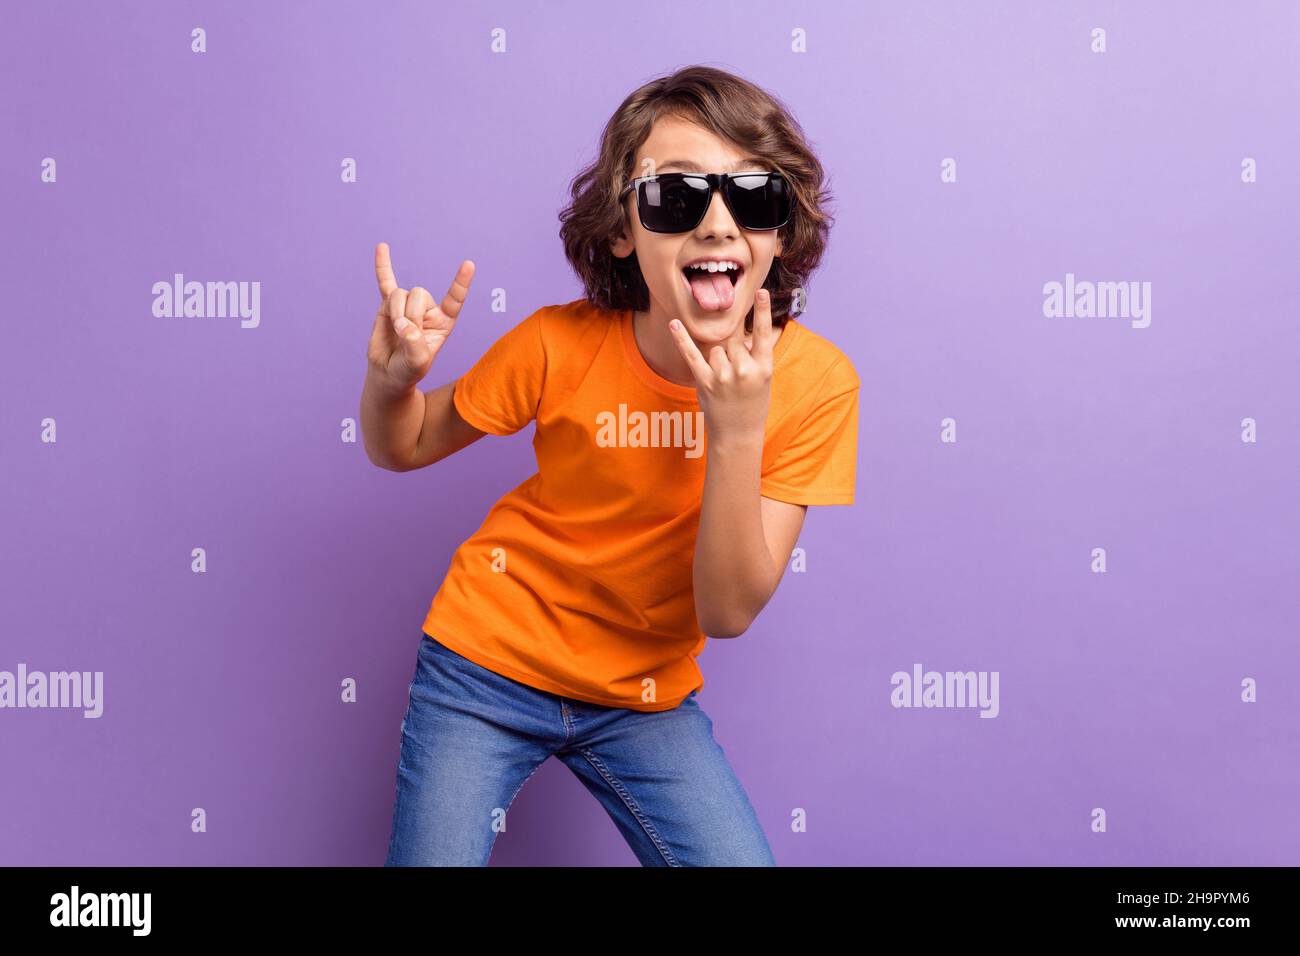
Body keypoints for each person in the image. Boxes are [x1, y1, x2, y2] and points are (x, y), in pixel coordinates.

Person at [361, 65, 859, 866]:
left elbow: (727, 612)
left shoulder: (818, 384)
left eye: (754, 196)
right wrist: (392, 384)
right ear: (624, 228)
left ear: (779, 231)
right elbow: (405, 443)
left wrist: (735, 431)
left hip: (643, 694)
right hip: (487, 666)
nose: (719, 225)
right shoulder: (560, 343)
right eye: (677, 196)